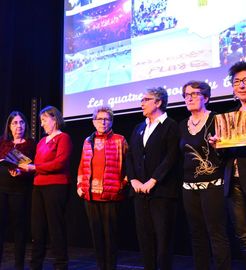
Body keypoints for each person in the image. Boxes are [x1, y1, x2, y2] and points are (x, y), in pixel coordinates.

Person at [209, 61, 246, 269]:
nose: (241, 85)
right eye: (236, 82)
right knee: (242, 237)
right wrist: (217, 145)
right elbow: (224, 152)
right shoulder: (229, 115)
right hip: (232, 180)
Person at [179, 81, 231, 270]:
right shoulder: (182, 125)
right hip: (188, 187)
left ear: (206, 97)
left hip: (213, 185)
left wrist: (218, 146)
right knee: (196, 235)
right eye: (186, 95)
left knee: (216, 234)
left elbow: (228, 154)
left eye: (195, 94)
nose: (190, 97)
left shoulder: (217, 119)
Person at [126, 87, 179, 270]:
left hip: (162, 192)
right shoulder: (139, 127)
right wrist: (133, 180)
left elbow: (171, 157)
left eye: (146, 99)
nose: (141, 103)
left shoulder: (171, 125)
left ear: (158, 102)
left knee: (163, 240)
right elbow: (130, 155)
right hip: (140, 192)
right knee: (145, 238)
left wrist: (153, 180)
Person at [19, 105, 72, 270]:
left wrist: (34, 167)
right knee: (37, 229)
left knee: (55, 227)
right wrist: (21, 170)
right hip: (38, 187)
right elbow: (36, 165)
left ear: (54, 119)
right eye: (41, 120)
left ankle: (60, 265)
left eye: (44, 120)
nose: (41, 124)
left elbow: (59, 163)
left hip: (56, 186)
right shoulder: (42, 141)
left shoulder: (63, 138)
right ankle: (35, 266)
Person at [77, 106, 128, 270]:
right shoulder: (87, 140)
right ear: (93, 122)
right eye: (99, 119)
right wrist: (79, 185)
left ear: (111, 122)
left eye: (107, 119)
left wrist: (123, 184)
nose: (103, 122)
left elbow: (130, 165)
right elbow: (82, 166)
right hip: (90, 196)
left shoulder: (120, 140)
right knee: (96, 237)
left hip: (111, 196)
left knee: (110, 238)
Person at [0, 111, 35, 270]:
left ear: (25, 125)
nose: (18, 126)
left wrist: (21, 171)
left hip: (20, 191)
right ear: (9, 126)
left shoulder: (30, 144)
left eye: (21, 122)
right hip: (2, 190)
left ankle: (19, 265)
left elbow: (35, 168)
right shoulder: (3, 143)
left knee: (19, 229)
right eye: (14, 123)